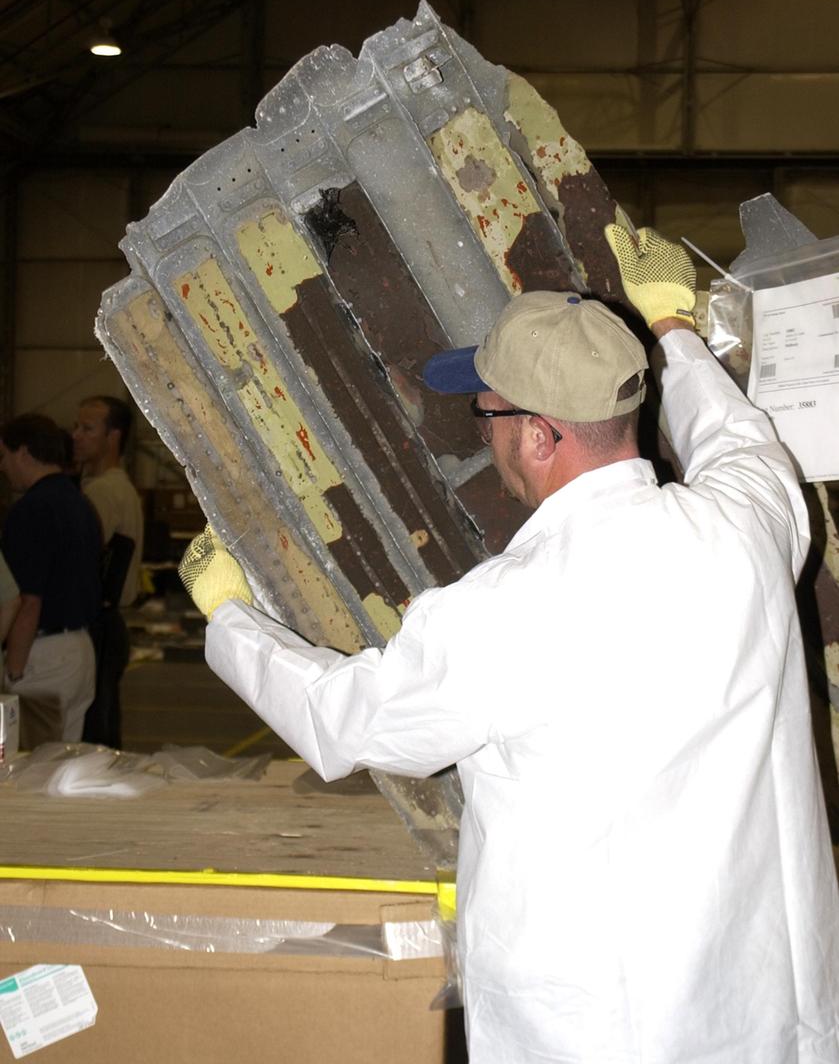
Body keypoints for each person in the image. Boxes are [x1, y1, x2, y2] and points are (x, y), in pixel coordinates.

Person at [179, 227, 839, 1063]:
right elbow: (739, 440)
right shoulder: (744, 525)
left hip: (601, 1027)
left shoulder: (507, 609)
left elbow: (341, 722)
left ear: (537, 434)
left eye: (484, 413)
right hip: (765, 1009)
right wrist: (671, 325)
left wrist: (229, 616)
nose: (480, 436)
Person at [0, 414, 102, 748]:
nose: (3, 467)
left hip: (40, 655)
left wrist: (13, 672)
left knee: (30, 763)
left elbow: (27, 599)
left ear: (24, 454)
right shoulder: (81, 504)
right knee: (61, 763)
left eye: (4, 456)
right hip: (80, 650)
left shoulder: (31, 510)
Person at [73, 395, 144, 749]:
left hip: (98, 625)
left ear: (113, 437)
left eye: (88, 429)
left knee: (95, 731)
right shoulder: (115, 486)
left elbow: (82, 559)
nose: (77, 436)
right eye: (77, 427)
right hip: (109, 624)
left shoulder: (104, 491)